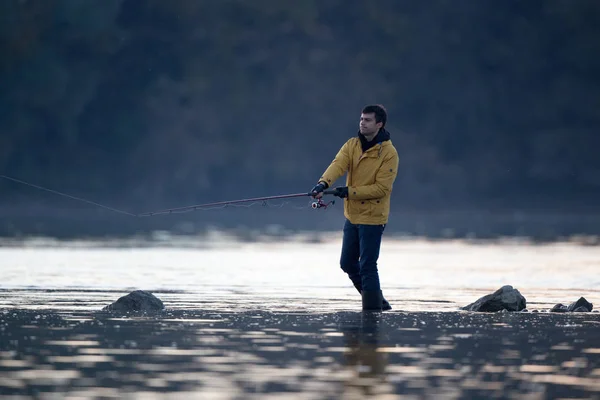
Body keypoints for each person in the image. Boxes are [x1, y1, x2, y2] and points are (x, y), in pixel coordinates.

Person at [311, 104, 399, 311]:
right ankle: (379, 305)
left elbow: (381, 189)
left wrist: (349, 192)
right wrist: (323, 184)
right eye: (361, 119)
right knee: (347, 264)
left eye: (367, 120)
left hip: (374, 218)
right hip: (352, 216)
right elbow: (338, 164)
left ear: (379, 124)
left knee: (368, 265)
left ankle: (372, 311)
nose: (362, 123)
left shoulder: (389, 153)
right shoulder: (352, 145)